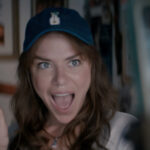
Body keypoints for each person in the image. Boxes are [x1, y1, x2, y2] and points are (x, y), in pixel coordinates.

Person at [0, 7, 137, 150]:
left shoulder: (124, 132)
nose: (60, 79)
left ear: (92, 66)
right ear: (29, 73)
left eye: (74, 62)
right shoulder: (15, 134)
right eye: (45, 65)